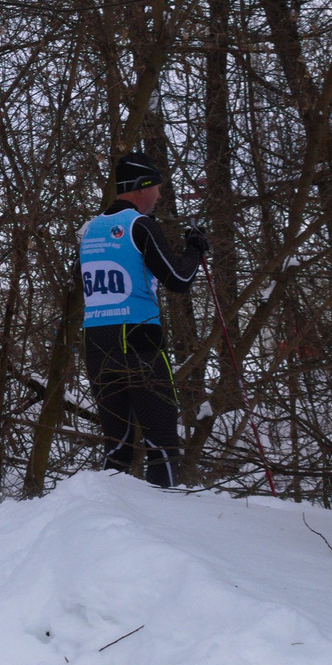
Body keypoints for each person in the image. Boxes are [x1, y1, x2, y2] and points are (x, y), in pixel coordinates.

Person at [78, 152, 209, 487]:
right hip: (139, 341)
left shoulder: (90, 229)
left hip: (96, 343)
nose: (159, 196)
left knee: (117, 447)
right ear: (141, 187)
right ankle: (165, 512)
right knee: (162, 445)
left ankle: (107, 514)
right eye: (156, 188)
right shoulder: (140, 226)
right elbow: (178, 280)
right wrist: (195, 247)